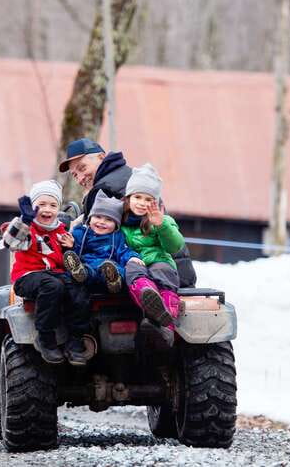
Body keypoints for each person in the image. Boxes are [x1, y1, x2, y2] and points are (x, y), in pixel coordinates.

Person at [59, 137, 197, 288]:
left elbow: (95, 238)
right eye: (75, 175)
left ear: (101, 157)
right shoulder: (130, 177)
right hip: (176, 272)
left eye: (82, 168)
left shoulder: (104, 188)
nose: (80, 178)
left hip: (154, 274)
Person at [0, 180, 92, 366]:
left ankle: (75, 340)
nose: (47, 209)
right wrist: (24, 220)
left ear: (58, 209)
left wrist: (71, 247)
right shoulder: (27, 229)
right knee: (52, 286)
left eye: (53, 205)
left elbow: (68, 258)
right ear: (33, 207)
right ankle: (45, 338)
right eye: (41, 205)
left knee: (78, 287)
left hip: (54, 275)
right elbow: (10, 242)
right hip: (28, 276)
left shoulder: (61, 231)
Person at [121, 164, 185, 347]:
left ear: (156, 202)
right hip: (135, 262)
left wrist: (161, 225)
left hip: (159, 260)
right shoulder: (119, 222)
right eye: (138, 197)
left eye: (148, 199)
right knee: (133, 268)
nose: (142, 202)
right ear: (128, 198)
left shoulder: (162, 220)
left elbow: (175, 246)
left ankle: (166, 326)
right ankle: (148, 296)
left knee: (162, 272)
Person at [62, 191, 142, 294]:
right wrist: (71, 246)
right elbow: (76, 253)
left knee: (118, 269)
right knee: (86, 269)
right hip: (87, 266)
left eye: (108, 219)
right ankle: (80, 273)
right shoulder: (80, 232)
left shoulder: (117, 237)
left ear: (116, 225)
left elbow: (123, 251)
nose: (102, 222)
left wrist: (132, 257)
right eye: (98, 217)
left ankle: (115, 281)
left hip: (107, 266)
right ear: (90, 219)